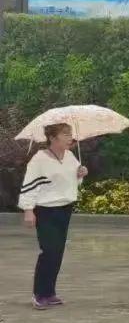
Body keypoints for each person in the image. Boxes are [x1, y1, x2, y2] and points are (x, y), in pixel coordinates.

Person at [19, 122, 87, 310]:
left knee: (58, 252)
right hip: (46, 210)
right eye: (65, 134)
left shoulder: (70, 156)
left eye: (70, 134)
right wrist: (28, 210)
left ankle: (49, 293)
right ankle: (39, 294)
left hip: (65, 209)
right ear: (52, 138)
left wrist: (80, 174)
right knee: (48, 251)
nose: (69, 138)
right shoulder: (39, 159)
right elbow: (29, 185)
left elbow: (73, 180)